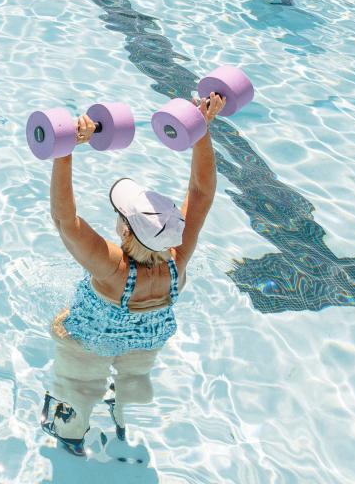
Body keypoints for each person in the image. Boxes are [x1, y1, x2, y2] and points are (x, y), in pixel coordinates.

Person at [41, 96, 224, 455]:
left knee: (75, 385)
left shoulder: (112, 268)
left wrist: (64, 152)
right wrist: (201, 130)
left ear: (125, 231)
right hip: (146, 342)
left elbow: (65, 220)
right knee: (134, 382)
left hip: (92, 342)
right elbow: (201, 192)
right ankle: (123, 419)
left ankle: (71, 437)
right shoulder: (178, 258)